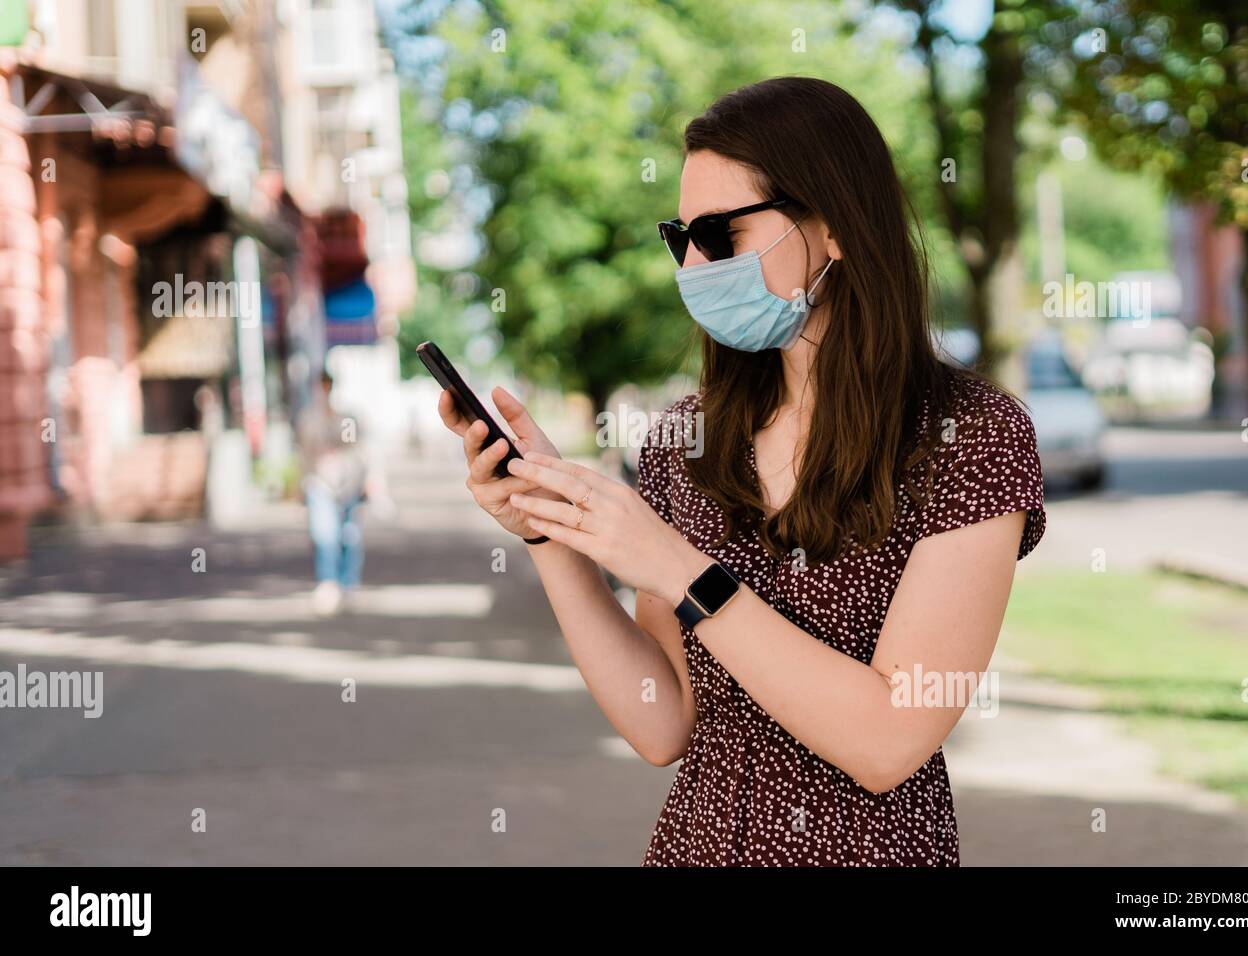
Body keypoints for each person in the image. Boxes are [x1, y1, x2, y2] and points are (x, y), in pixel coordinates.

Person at [437, 77, 1046, 866]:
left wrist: (680, 570)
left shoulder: (973, 439)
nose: (694, 262)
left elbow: (890, 739)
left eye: (721, 233)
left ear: (836, 227)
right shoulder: (685, 441)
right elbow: (664, 725)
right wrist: (551, 530)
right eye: (680, 236)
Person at [300, 369, 373, 616]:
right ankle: (329, 582)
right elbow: (306, 451)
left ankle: (348, 584)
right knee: (325, 535)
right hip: (320, 483)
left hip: (348, 483)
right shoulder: (309, 418)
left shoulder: (346, 417)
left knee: (349, 536)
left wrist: (367, 481)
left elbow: (356, 448)